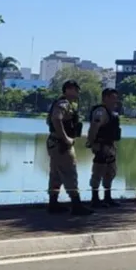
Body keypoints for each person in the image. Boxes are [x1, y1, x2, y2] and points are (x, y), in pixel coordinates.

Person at [45, 80, 92, 216]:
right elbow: (56, 119)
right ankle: (76, 205)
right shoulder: (63, 104)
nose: (78, 93)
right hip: (61, 144)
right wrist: (65, 138)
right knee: (70, 172)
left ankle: (53, 203)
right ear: (68, 90)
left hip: (56, 143)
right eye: (76, 90)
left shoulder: (69, 105)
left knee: (56, 174)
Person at [85, 88, 122, 208]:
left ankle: (107, 197)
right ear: (105, 98)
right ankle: (95, 199)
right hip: (101, 146)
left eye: (116, 98)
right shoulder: (101, 112)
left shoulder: (111, 113)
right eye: (112, 98)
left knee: (110, 172)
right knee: (98, 172)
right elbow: (94, 127)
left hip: (110, 146)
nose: (115, 101)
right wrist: (91, 142)